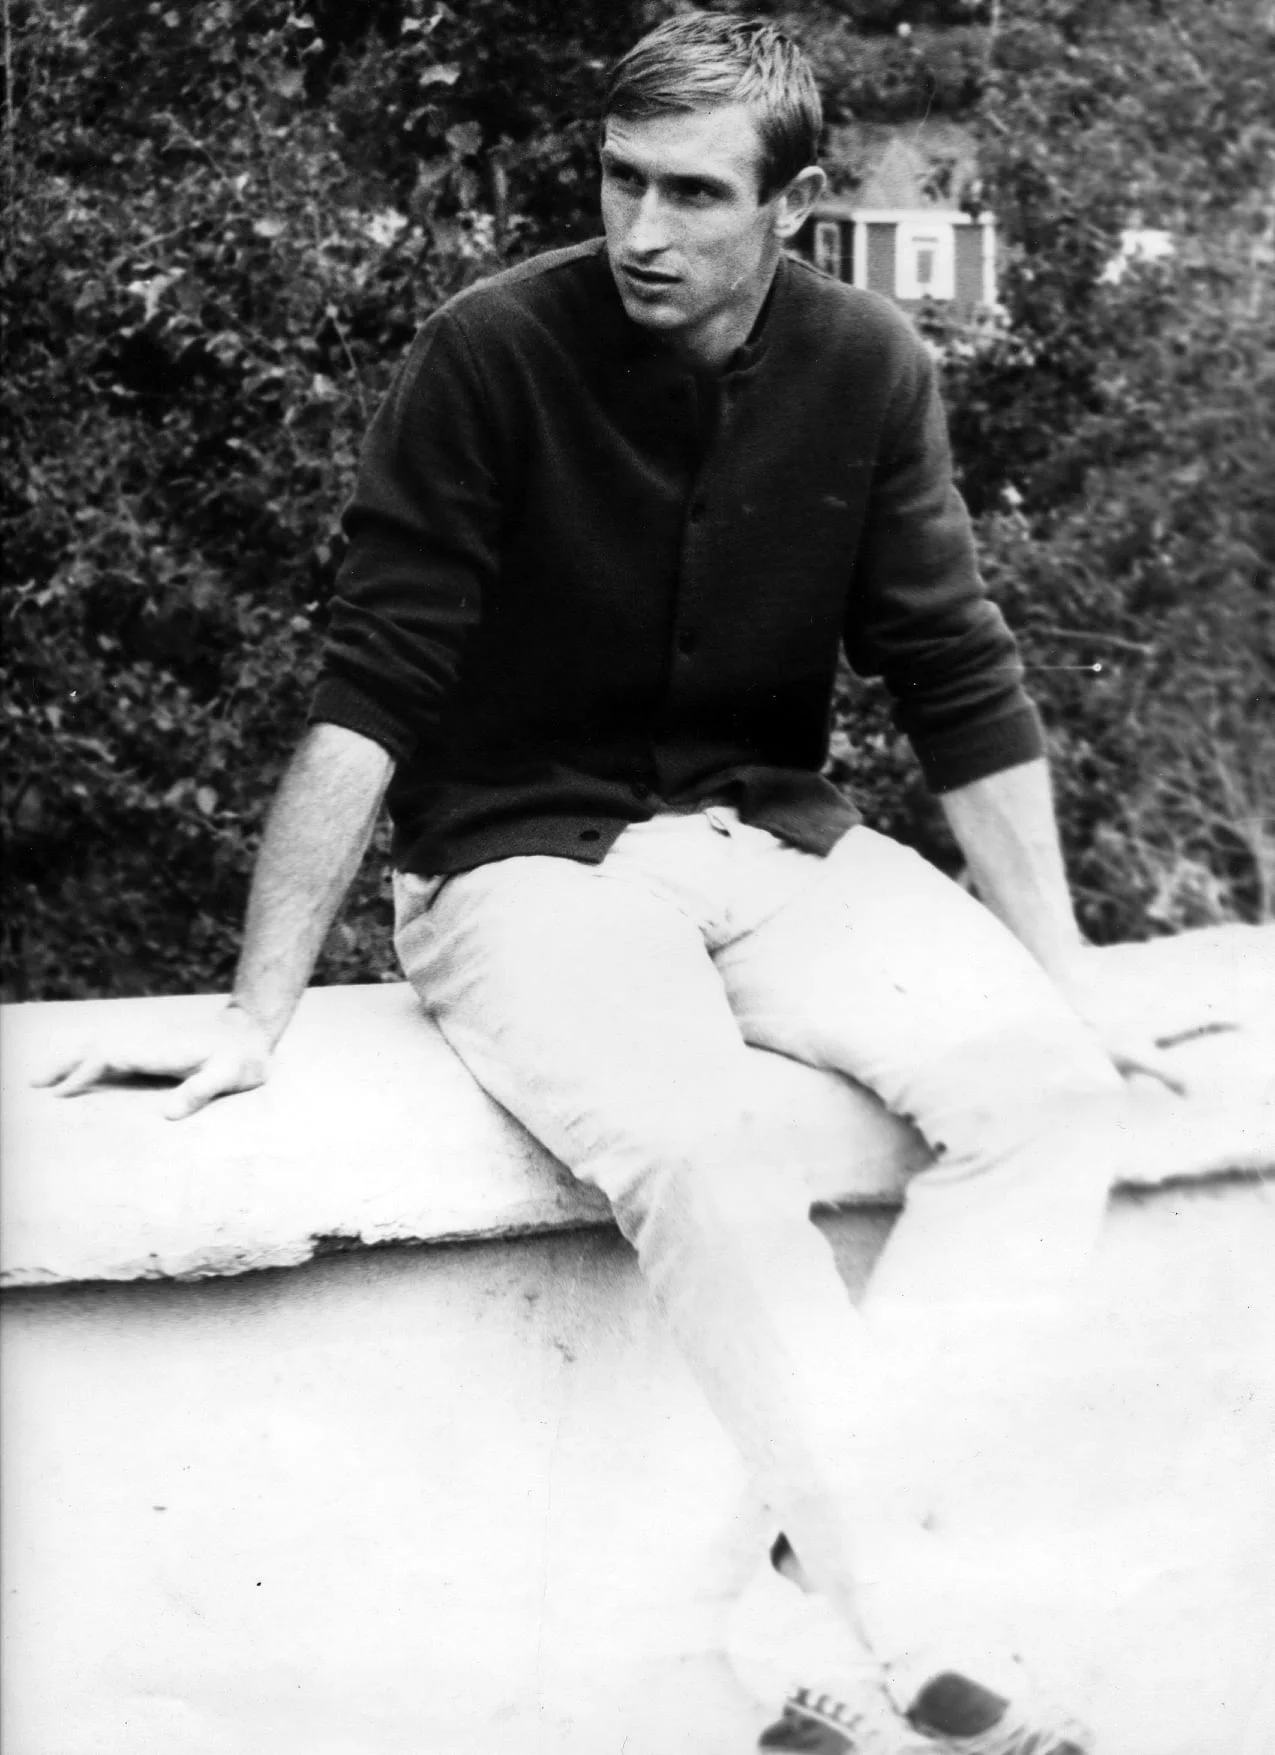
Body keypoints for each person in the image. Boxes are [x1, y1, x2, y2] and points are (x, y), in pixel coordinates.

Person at [37, 15, 1268, 1754]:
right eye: (620, 180)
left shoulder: (866, 362)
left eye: (692, 194)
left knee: (1049, 1094)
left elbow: (952, 664)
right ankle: (918, 1643)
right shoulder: (490, 352)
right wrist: (256, 1012)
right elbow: (372, 686)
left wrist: (1062, 965)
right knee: (705, 1144)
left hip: (769, 837)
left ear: (796, 201)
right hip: (522, 862)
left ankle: (793, 1594)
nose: (640, 229)